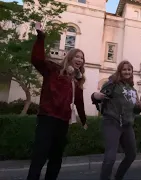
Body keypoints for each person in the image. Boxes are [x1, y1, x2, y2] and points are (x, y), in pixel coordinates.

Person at [27, 22, 88, 180]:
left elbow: (79, 102)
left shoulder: (77, 81)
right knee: (39, 157)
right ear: (70, 57)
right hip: (47, 117)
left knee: (56, 159)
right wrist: (41, 37)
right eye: (77, 56)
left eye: (82, 58)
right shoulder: (53, 70)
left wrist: (84, 120)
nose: (80, 60)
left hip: (63, 121)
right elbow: (37, 59)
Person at [91, 61, 141, 180]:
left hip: (127, 124)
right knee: (110, 157)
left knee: (131, 155)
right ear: (119, 71)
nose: (127, 72)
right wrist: (95, 96)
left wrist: (139, 108)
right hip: (112, 121)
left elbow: (133, 111)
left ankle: (118, 177)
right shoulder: (112, 84)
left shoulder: (133, 89)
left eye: (129, 70)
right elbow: (99, 97)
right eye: (124, 69)